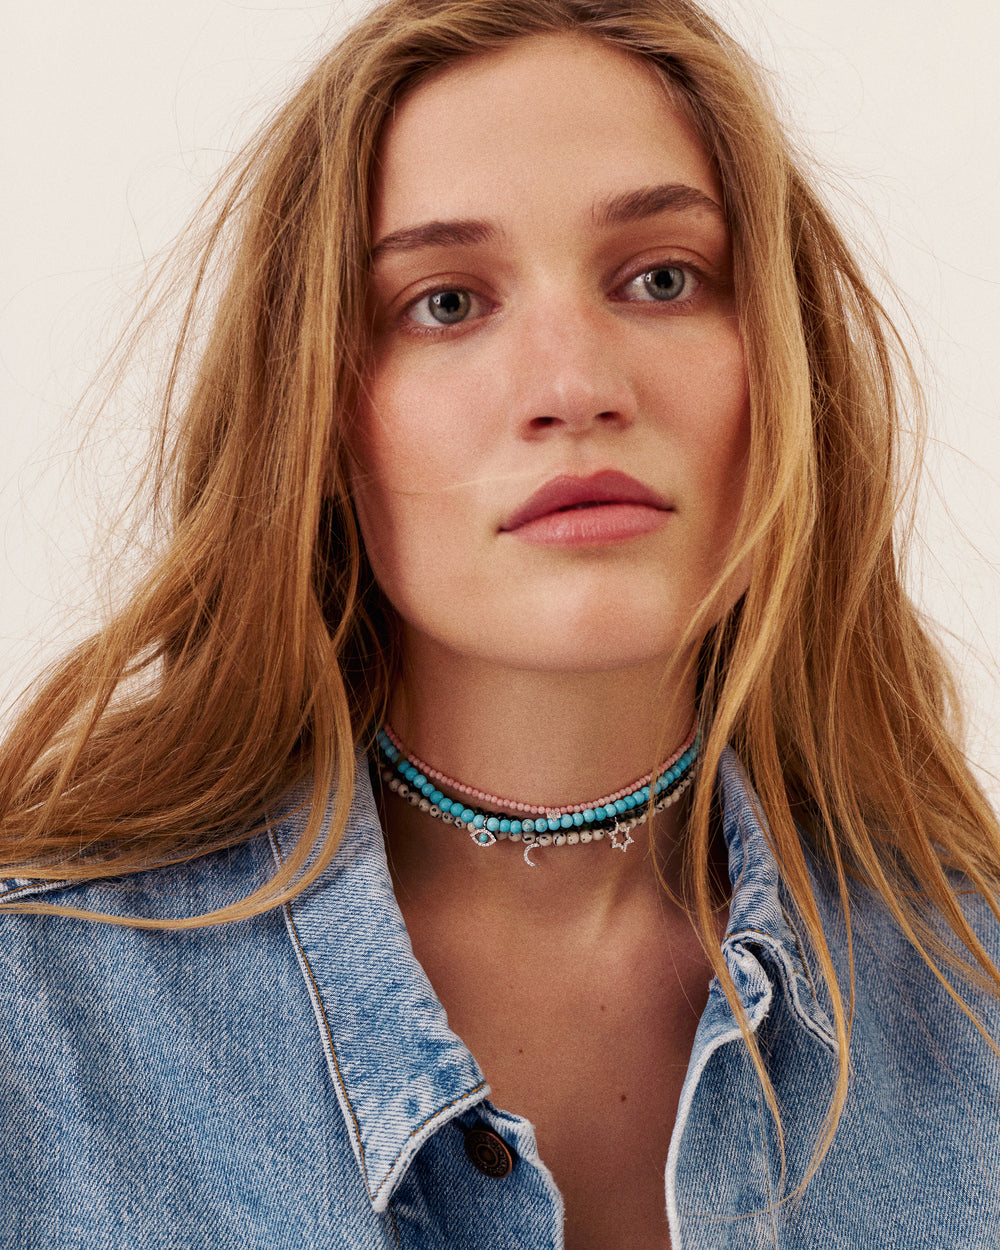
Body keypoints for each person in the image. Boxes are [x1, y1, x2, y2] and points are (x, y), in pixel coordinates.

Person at [1, 0, 998, 1246]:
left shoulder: (971, 992)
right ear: (318, 420)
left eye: (662, 278)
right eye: (446, 303)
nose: (574, 386)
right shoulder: (38, 1016)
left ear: (788, 372)